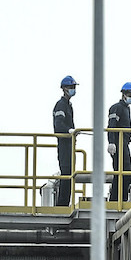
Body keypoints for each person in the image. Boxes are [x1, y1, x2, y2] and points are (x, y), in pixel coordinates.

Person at [107, 82, 131, 202]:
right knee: (121, 172)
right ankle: (116, 199)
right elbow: (112, 125)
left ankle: (120, 198)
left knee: (125, 172)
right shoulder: (117, 108)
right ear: (124, 94)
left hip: (124, 142)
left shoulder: (126, 108)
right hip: (118, 142)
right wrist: (111, 142)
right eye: (130, 94)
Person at [53, 75, 78, 207]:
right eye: (71, 87)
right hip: (64, 143)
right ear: (64, 89)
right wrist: (69, 131)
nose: (73, 89)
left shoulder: (68, 105)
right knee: (66, 173)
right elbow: (58, 125)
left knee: (70, 174)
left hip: (70, 144)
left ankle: (65, 203)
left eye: (74, 87)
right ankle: (61, 205)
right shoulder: (61, 105)